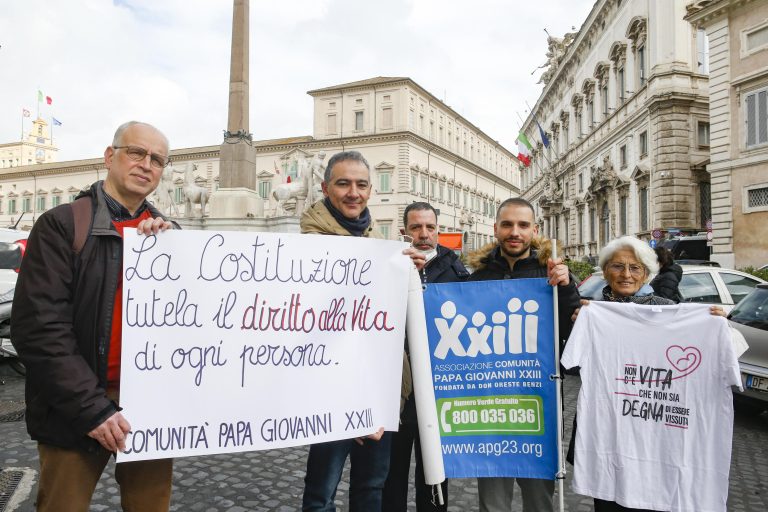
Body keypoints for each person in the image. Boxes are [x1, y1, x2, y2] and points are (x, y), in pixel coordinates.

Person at [11, 121, 177, 512]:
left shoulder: (170, 237)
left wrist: (173, 253)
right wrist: (92, 408)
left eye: (157, 159)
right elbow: (39, 329)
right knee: (62, 505)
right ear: (109, 156)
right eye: (136, 152)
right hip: (75, 406)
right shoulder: (62, 224)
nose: (146, 164)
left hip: (147, 403)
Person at [300, 150, 422, 512]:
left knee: (372, 488)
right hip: (331, 388)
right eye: (343, 184)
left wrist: (410, 275)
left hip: (380, 388)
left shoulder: (376, 242)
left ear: (370, 191)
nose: (353, 192)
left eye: (361, 184)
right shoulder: (306, 244)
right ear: (325, 188)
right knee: (321, 493)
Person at [567, 235, 726, 512]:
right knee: (607, 502)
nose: (626, 274)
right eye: (617, 266)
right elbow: (570, 365)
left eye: (635, 267)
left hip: (656, 437)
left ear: (647, 274)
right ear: (605, 271)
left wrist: (718, 326)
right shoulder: (591, 312)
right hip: (607, 434)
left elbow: (719, 355)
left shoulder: (669, 309)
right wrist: (577, 326)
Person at [466, 197, 580, 512]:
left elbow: (574, 328)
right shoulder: (477, 278)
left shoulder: (553, 272)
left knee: (539, 498)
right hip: (490, 403)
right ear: (496, 229)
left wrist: (567, 285)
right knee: (493, 500)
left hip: (538, 401)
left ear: (534, 229)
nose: (514, 232)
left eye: (522, 225)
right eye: (507, 224)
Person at [382, 202, 469, 512]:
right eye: (416, 227)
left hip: (438, 386)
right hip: (396, 385)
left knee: (433, 471)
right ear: (405, 231)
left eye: (429, 227)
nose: (423, 234)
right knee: (391, 470)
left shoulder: (456, 270)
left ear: (438, 230)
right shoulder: (388, 264)